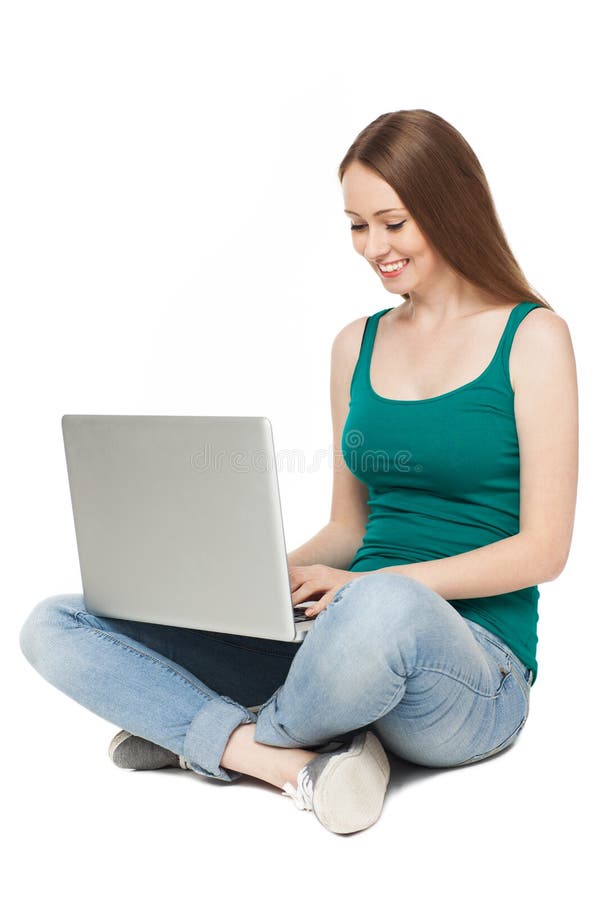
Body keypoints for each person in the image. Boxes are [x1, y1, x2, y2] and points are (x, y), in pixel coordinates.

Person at [19, 109, 578, 836]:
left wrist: (368, 588)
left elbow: (544, 552)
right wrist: (253, 584)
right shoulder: (357, 343)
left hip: (470, 670)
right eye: (356, 225)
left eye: (392, 222)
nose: (372, 247)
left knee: (384, 608)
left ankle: (203, 731)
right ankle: (286, 760)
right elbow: (349, 527)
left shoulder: (533, 337)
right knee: (56, 621)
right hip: (334, 638)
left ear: (448, 207)